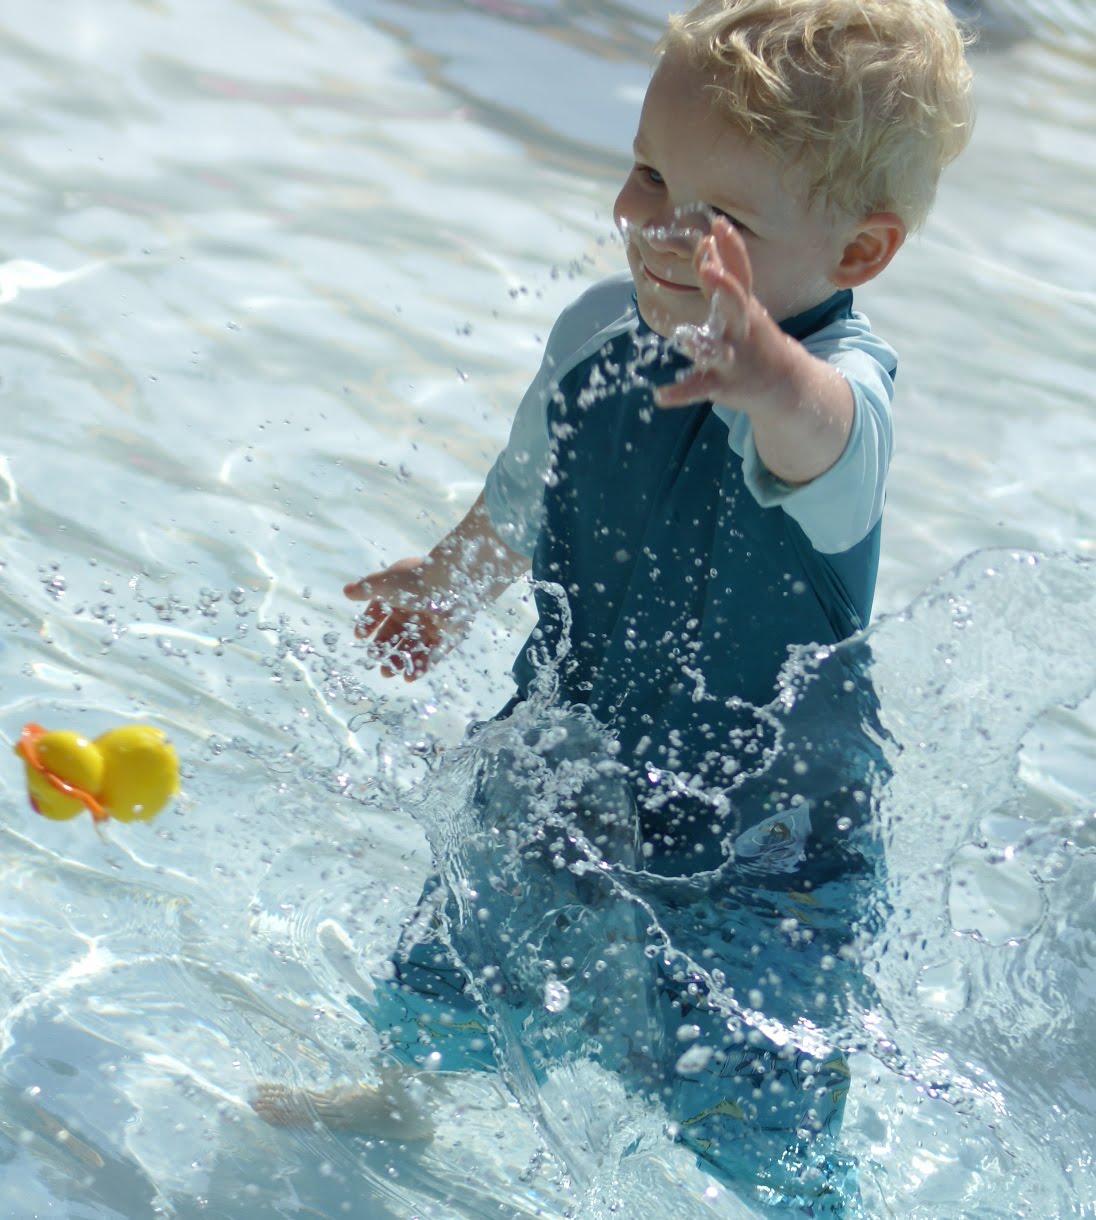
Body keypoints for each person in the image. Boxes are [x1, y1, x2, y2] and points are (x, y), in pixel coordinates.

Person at [253, 0, 973, 1212]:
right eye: (647, 170)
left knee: (760, 1119)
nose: (646, 219)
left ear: (856, 253)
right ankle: (396, 1096)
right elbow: (522, 493)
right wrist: (447, 582)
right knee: (455, 956)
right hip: (568, 773)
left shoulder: (843, 399)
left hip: (768, 857)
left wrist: (764, 368)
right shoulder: (598, 331)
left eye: (719, 218)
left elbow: (815, 433)